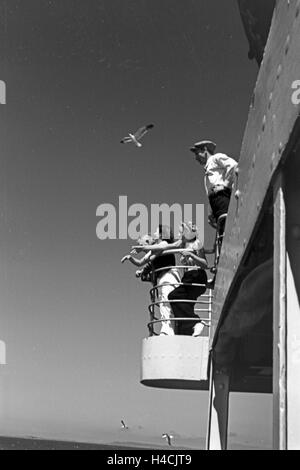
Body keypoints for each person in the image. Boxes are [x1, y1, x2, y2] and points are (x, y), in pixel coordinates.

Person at [122, 225, 181, 335]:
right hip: (161, 278)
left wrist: (143, 248)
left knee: (166, 301)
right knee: (164, 303)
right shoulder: (153, 250)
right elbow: (140, 262)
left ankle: (168, 329)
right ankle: (168, 328)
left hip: (169, 274)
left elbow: (161, 248)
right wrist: (130, 258)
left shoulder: (163, 243)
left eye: (156, 232)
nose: (154, 233)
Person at [168, 222, 208, 336]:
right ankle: (186, 331)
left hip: (196, 275)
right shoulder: (183, 246)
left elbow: (205, 264)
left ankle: (196, 322)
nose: (178, 234)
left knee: (174, 296)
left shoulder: (196, 244)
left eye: (180, 232)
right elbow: (167, 247)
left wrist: (191, 255)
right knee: (184, 304)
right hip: (188, 278)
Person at [190, 140, 238, 230]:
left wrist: (225, 186)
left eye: (197, 153)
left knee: (228, 224)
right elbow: (209, 194)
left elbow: (233, 166)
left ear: (204, 150)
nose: (196, 158)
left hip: (222, 196)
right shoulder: (206, 177)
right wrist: (210, 210)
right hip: (215, 201)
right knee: (222, 229)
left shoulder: (216, 158)